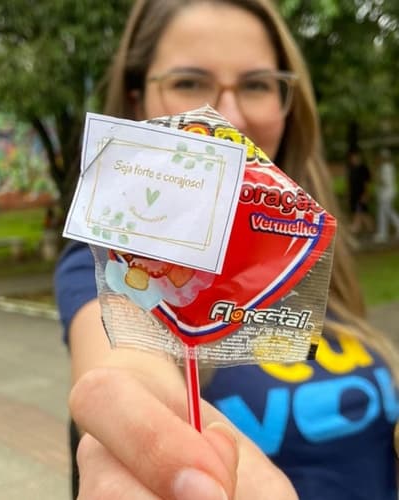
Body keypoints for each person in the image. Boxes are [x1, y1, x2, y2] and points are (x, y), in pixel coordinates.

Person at [54, 1, 399, 499]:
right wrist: (140, 433)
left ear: (286, 104)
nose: (228, 117)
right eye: (190, 82)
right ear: (135, 103)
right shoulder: (114, 263)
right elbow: (124, 370)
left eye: (256, 84)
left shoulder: (310, 255)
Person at [374, 148, 399, 243]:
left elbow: (384, 182)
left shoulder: (386, 168)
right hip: (385, 193)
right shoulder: (386, 167)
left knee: (386, 211)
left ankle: (383, 233)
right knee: (383, 212)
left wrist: (377, 178)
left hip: (386, 193)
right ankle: (383, 233)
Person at [347, 149, 375, 236]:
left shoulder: (363, 169)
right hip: (354, 195)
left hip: (361, 194)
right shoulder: (352, 169)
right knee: (361, 212)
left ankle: (356, 228)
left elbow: (367, 183)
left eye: (354, 158)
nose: (353, 160)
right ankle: (364, 228)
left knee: (361, 212)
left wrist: (366, 194)